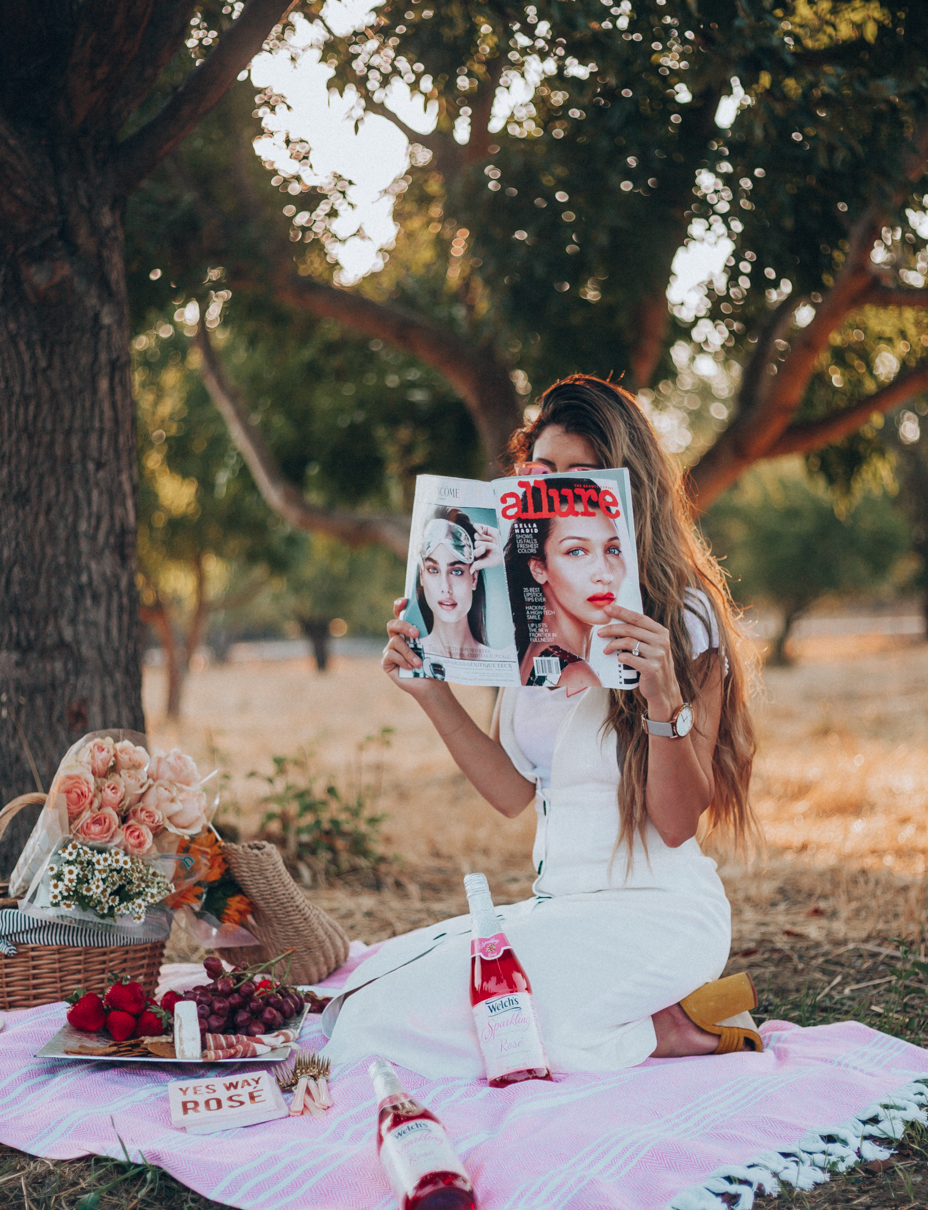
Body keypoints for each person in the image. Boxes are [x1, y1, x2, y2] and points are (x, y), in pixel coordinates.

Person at [323, 375, 759, 1077]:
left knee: (394, 1033)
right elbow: (512, 793)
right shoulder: (529, 630)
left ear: (625, 492)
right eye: (542, 475)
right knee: (364, 998)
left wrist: (660, 695)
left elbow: (677, 823)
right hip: (561, 910)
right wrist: (429, 692)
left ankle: (660, 1028)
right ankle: (644, 1019)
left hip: (659, 915)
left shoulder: (682, 615)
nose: (557, 492)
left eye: (581, 478)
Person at [503, 477, 632, 689]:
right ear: (539, 568)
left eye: (612, 550)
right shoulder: (576, 675)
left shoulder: (532, 654)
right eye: (576, 551)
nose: (605, 574)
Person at [414, 508, 503, 662]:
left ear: (474, 578)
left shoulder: (502, 661)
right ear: (422, 575)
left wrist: (506, 554)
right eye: (433, 570)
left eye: (456, 571)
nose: (445, 588)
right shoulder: (411, 658)